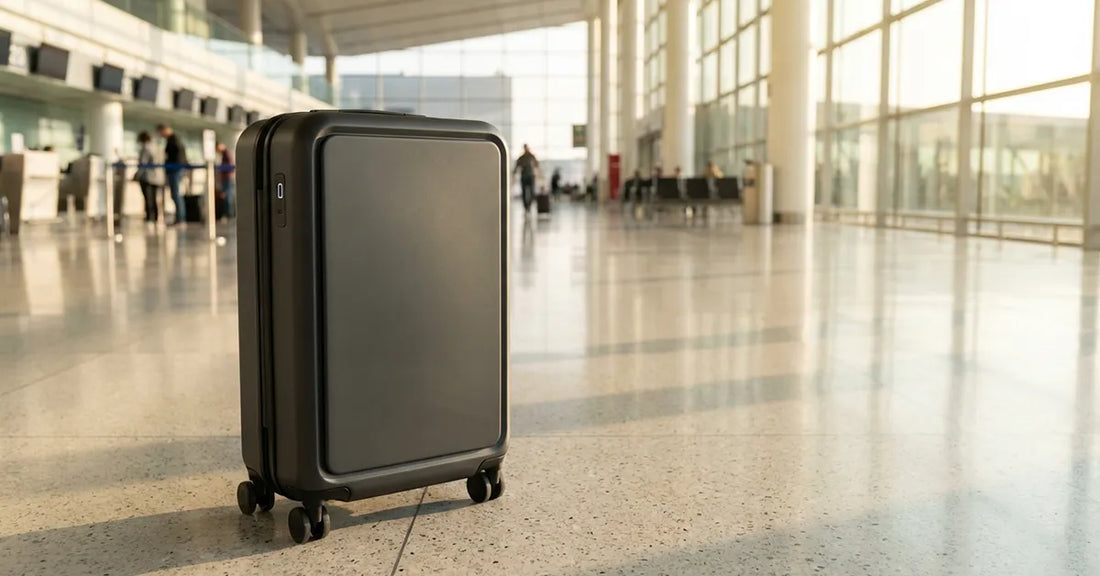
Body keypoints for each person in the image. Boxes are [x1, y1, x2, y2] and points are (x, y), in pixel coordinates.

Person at [157, 123, 187, 225]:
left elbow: (176, 156)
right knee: (175, 194)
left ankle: (181, 218)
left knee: (176, 194)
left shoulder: (173, 140)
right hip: (175, 169)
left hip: (175, 170)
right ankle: (180, 218)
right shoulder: (173, 139)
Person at [135, 131, 163, 223]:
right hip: (158, 177)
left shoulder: (146, 148)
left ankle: (149, 217)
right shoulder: (157, 147)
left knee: (148, 198)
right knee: (154, 198)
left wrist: (137, 175)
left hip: (147, 177)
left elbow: (143, 164)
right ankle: (155, 217)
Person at [513, 144, 540, 213]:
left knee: (532, 192)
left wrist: (538, 174)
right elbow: (516, 167)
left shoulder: (532, 156)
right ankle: (526, 207)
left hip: (531, 176)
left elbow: (537, 165)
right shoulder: (521, 158)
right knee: (524, 193)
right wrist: (514, 175)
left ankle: (529, 206)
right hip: (524, 177)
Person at [215, 142, 235, 219]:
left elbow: (229, 165)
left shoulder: (226, 153)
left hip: (227, 178)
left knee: (227, 196)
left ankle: (229, 214)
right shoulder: (224, 154)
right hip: (227, 178)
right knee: (227, 195)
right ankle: (228, 213)